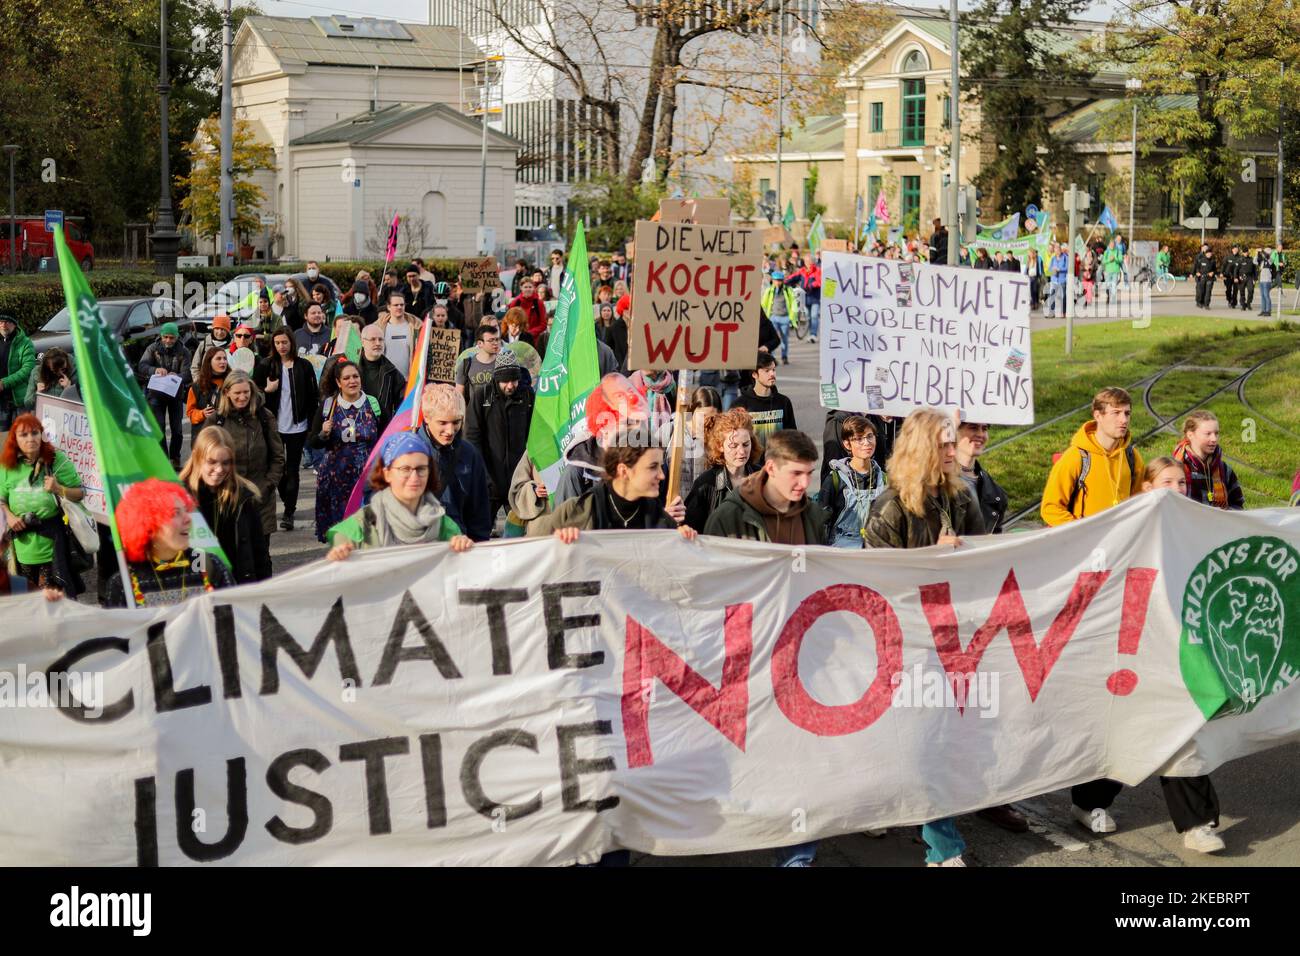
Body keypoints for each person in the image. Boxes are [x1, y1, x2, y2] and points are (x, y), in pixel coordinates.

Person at [862, 408, 985, 866]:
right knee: (916, 738)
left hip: (952, 637)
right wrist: (934, 559)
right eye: (946, 444)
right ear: (923, 450)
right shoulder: (890, 507)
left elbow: (987, 556)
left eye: (954, 443)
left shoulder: (962, 498)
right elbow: (875, 581)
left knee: (936, 739)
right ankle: (941, 844)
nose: (955, 451)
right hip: (905, 640)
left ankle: (937, 837)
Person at [325, 431, 473, 560]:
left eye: (421, 469)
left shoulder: (444, 526)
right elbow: (340, 546)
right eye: (405, 469)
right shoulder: (362, 524)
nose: (414, 477)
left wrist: (463, 548)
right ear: (387, 473)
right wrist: (340, 553)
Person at [102, 478, 235, 607]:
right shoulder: (124, 583)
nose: (188, 519)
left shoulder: (208, 564)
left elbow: (237, 619)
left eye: (186, 510)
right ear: (148, 525)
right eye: (175, 513)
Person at [528, 441, 696, 540]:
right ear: (624, 471)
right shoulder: (577, 511)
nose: (661, 475)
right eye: (652, 467)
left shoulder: (662, 520)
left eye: (661, 467)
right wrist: (558, 543)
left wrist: (681, 540)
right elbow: (530, 550)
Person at [0, 413, 85, 600]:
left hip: (52, 545)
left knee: (51, 602)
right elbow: (1, 498)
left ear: (42, 435)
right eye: (23, 435)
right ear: (14, 439)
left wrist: (59, 488)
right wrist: (9, 516)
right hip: (21, 548)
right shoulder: (7, 466)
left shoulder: (56, 460)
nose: (30, 439)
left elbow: (80, 493)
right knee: (27, 603)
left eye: (35, 433)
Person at [213, 371, 283, 580]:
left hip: (260, 497)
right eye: (237, 393)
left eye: (246, 392)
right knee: (232, 556)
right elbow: (203, 459)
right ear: (226, 393)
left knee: (261, 556)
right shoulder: (217, 421)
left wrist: (268, 485)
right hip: (227, 500)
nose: (242, 397)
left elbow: (278, 456)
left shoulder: (264, 416)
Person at [1041, 386, 1144, 526]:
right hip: (1084, 542)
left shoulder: (1132, 456)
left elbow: (1139, 503)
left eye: (1127, 413)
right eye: (1116, 413)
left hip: (1119, 541)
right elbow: (1050, 508)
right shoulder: (1076, 457)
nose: (1124, 420)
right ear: (1098, 416)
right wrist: (1082, 531)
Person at [179, 425, 267, 585]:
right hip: (194, 592)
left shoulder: (244, 497)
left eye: (226, 463)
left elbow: (260, 554)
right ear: (197, 457)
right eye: (211, 462)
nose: (219, 469)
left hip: (234, 588)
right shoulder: (178, 498)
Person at [308, 358, 381, 542]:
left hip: (367, 479)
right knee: (342, 535)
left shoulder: (373, 404)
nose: (352, 381)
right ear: (338, 382)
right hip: (335, 481)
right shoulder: (328, 406)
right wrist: (323, 434)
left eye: (355, 376)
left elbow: (388, 435)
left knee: (368, 533)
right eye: (346, 378)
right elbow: (313, 442)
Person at [413, 384, 493, 542]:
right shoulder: (405, 452)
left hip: (458, 547)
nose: (450, 430)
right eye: (442, 423)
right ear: (427, 417)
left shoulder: (470, 455)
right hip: (416, 548)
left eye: (456, 422)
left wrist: (478, 550)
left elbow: (479, 513)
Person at [259, 327, 319, 531]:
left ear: (291, 343)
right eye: (277, 343)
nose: (281, 346)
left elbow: (313, 397)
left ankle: (289, 512)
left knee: (292, 469)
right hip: (274, 427)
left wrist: (312, 425)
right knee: (278, 470)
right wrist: (266, 390)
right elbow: (252, 393)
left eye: (284, 342)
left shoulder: (304, 366)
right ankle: (287, 501)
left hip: (298, 426)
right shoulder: (267, 366)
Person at [464, 348, 534, 522]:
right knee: (480, 531)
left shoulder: (527, 396)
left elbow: (534, 435)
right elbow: (472, 436)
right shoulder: (481, 396)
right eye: (505, 381)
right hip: (490, 482)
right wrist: (483, 475)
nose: (510, 386)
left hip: (518, 482)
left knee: (520, 536)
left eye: (514, 380)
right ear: (497, 379)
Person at [817, 415, 887, 547]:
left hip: (876, 549)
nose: (867, 443)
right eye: (859, 439)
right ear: (847, 444)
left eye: (870, 436)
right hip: (843, 552)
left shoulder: (884, 479)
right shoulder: (835, 479)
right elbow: (821, 522)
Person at [684, 408, 758, 532]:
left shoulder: (762, 477)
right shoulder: (705, 484)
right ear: (720, 446)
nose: (741, 451)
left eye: (746, 444)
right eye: (733, 446)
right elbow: (690, 528)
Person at [137, 321, 191, 470]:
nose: (168, 341)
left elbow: (188, 374)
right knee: (159, 428)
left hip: (175, 395)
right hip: (156, 394)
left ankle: (175, 457)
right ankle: (163, 459)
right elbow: (142, 366)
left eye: (171, 338)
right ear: (161, 337)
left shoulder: (184, 351)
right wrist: (155, 370)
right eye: (165, 337)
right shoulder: (152, 348)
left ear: (177, 337)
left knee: (177, 429)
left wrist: (177, 375)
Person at [1172, 410, 1244, 509]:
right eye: (1208, 434)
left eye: (1216, 433)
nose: (1214, 439)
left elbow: (1237, 504)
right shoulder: (1175, 468)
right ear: (1190, 435)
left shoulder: (1225, 470)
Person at [733, 352, 796, 448]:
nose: (772, 374)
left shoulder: (784, 402)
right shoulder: (740, 404)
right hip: (751, 461)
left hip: (778, 460)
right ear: (754, 374)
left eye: (773, 370)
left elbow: (792, 436)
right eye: (767, 371)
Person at [956, 419, 1009, 533]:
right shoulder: (936, 481)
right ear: (954, 431)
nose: (980, 434)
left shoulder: (995, 492)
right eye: (973, 427)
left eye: (984, 429)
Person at [358, 323, 405, 430]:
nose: (378, 343)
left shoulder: (393, 373)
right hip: (354, 429)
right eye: (373, 339)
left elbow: (401, 407)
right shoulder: (351, 369)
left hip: (382, 431)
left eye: (381, 339)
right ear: (363, 342)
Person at [680, 385, 722, 494]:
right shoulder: (672, 430)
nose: (707, 422)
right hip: (677, 504)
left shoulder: (720, 437)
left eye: (713, 418)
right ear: (692, 410)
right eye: (703, 416)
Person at [186, 347, 229, 440]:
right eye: (218, 358)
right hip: (204, 435)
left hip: (228, 433)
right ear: (209, 362)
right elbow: (190, 413)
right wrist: (202, 414)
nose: (223, 362)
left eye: (225, 358)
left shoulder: (231, 382)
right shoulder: (197, 386)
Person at [455, 324, 502, 404]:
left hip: (497, 413)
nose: (495, 343)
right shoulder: (466, 364)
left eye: (497, 339)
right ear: (480, 343)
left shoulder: (502, 364)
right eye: (491, 340)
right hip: (474, 413)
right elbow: (459, 395)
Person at [378, 289, 419, 377]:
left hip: (409, 380)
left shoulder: (416, 326)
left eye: (402, 305)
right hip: (386, 379)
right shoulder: (378, 327)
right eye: (396, 305)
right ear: (389, 307)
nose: (399, 307)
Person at [761, 270, 799, 365]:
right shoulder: (769, 290)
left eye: (780, 280)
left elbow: (794, 303)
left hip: (785, 318)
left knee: (784, 338)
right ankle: (771, 357)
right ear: (773, 281)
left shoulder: (787, 290)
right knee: (772, 339)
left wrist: (792, 317)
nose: (778, 282)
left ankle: (784, 356)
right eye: (776, 280)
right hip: (773, 317)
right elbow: (763, 304)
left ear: (783, 281)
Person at [189, 314, 232, 382]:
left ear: (228, 331)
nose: (219, 332)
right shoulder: (204, 344)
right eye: (217, 328)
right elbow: (195, 367)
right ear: (213, 329)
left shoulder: (233, 346)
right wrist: (199, 381)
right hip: (206, 384)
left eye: (223, 329)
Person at [1046, 242, 1069, 318]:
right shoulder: (1053, 258)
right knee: (1052, 295)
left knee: (1063, 296)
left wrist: (1060, 269)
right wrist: (1053, 269)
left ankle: (1063, 313)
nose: (1057, 250)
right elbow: (1049, 268)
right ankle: (1051, 313)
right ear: (1054, 250)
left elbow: (1068, 268)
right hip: (1054, 279)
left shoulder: (1065, 257)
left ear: (1061, 249)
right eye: (1056, 248)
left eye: (1058, 248)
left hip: (1062, 279)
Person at [1193, 243, 1217, 309]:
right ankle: (1199, 302)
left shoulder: (1213, 261)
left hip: (1210, 279)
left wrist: (1213, 273)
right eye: (1208, 253)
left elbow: (1215, 270)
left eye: (1210, 253)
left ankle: (1206, 304)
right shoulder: (1200, 259)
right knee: (1201, 291)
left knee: (1208, 292)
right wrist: (1196, 273)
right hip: (1201, 278)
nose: (1209, 254)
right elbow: (1196, 267)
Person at [1101, 238, 1123, 305]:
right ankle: (1108, 296)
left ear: (1115, 245)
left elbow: (1120, 260)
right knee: (1107, 285)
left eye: (1113, 244)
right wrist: (1109, 260)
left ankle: (1113, 298)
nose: (1112, 245)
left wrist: (1115, 258)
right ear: (1109, 245)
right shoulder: (1106, 252)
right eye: (1111, 244)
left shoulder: (1118, 251)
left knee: (1114, 285)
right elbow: (1103, 261)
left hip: (1115, 271)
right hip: (1108, 271)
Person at [1257, 245, 1276, 315]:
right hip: (1261, 280)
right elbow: (1257, 261)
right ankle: (1263, 310)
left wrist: (1262, 251)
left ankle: (1268, 310)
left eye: (1264, 252)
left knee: (1266, 295)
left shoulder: (1270, 260)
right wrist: (1258, 253)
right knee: (1262, 296)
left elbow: (1267, 257)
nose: (1263, 254)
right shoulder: (1262, 260)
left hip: (1267, 280)